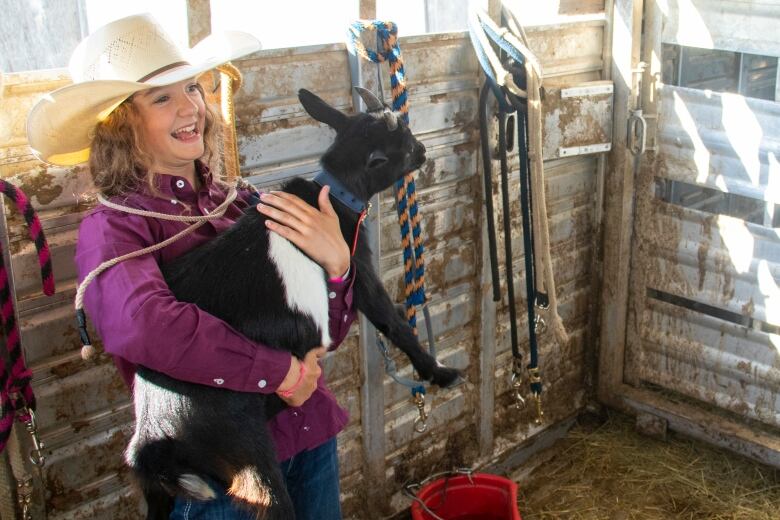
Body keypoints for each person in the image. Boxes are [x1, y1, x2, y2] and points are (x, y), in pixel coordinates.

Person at [26, 13, 355, 520]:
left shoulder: (244, 203)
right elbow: (148, 328)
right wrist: (280, 372)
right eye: (162, 98)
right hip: (223, 474)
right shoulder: (114, 229)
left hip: (305, 435)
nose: (191, 107)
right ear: (121, 124)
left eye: (193, 88)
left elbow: (326, 329)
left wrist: (338, 268)